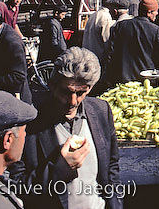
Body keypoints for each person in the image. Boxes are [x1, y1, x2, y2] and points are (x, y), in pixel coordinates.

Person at [15, 48, 122, 209]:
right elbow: (17, 185)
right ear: (52, 85)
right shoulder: (31, 122)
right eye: (66, 92)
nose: (73, 101)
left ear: (90, 88)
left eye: (81, 93)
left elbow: (112, 167)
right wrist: (58, 171)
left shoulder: (101, 111)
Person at [105, 0, 159, 84]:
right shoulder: (155, 30)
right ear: (149, 13)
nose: (157, 13)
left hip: (122, 78)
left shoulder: (120, 26)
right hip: (145, 79)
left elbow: (110, 53)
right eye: (156, 11)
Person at [82, 0, 120, 65]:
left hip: (89, 57)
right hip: (99, 60)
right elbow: (107, 42)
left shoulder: (94, 15)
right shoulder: (106, 17)